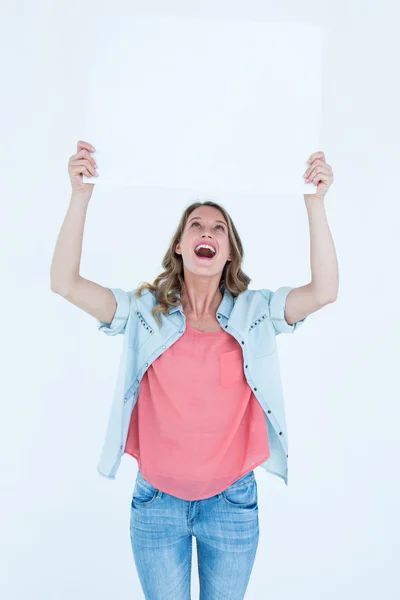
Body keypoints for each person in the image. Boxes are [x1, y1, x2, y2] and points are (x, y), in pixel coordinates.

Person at [51, 140, 337, 599]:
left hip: (231, 504)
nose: (208, 231)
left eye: (218, 227)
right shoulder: (146, 313)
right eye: (197, 225)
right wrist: (80, 195)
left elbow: (324, 291)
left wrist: (314, 204)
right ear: (181, 247)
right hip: (157, 505)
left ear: (228, 252)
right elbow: (64, 283)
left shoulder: (255, 312)